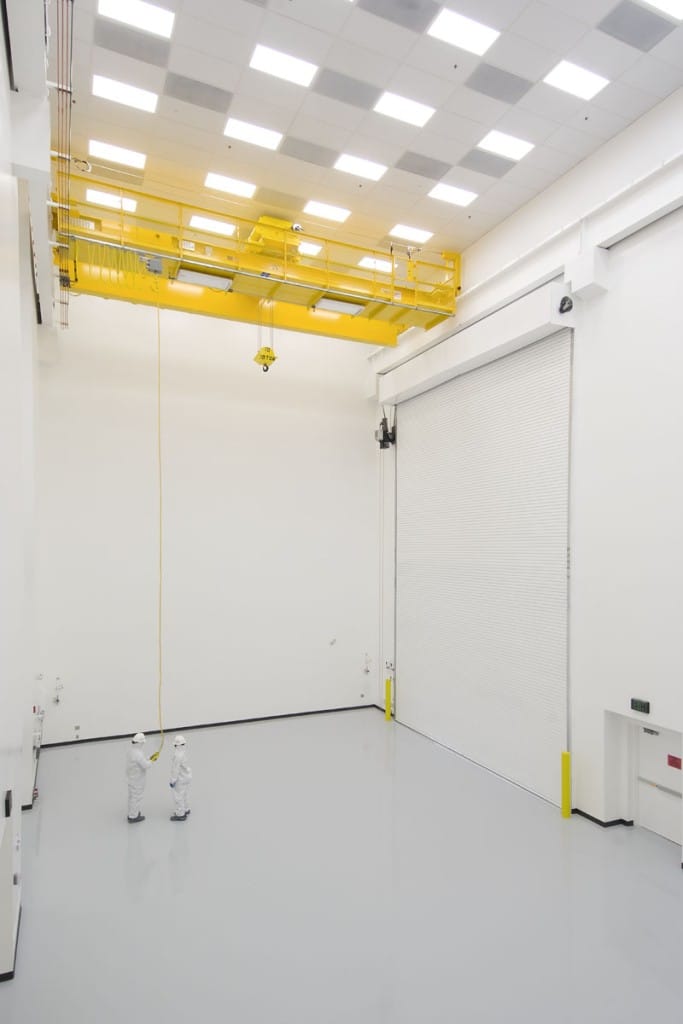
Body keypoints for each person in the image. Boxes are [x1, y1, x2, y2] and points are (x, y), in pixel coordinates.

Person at [126, 732, 157, 823]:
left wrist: (149, 757)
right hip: (137, 780)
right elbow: (146, 766)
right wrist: (152, 760)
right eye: (143, 743)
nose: (143, 744)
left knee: (132, 797)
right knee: (136, 797)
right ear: (140, 743)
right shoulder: (138, 754)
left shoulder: (132, 751)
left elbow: (141, 760)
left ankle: (132, 813)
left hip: (131, 778)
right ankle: (133, 817)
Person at [169, 735, 192, 821]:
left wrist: (172, 780)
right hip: (187, 776)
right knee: (185, 794)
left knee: (178, 796)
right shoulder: (184, 752)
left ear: (176, 745)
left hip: (180, 779)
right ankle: (186, 809)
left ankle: (180, 814)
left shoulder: (177, 755)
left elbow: (175, 770)